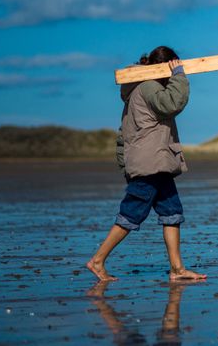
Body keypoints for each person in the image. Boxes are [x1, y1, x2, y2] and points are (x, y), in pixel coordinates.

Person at [86, 46, 206, 282]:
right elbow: (172, 103)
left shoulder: (140, 87)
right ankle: (97, 260)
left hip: (156, 161)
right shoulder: (148, 86)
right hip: (149, 163)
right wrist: (179, 75)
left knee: (172, 212)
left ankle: (177, 269)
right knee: (132, 213)